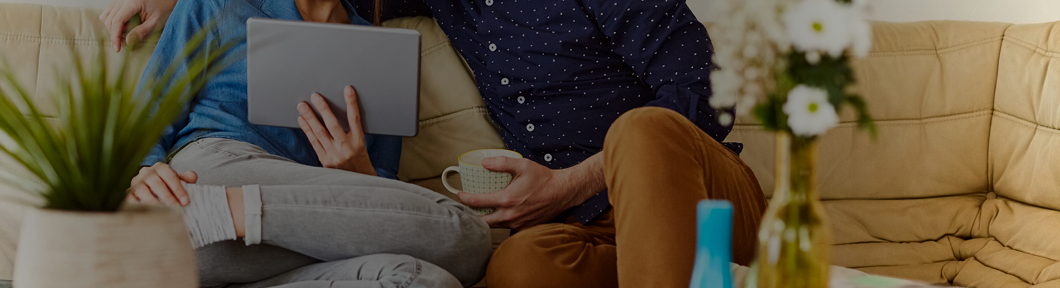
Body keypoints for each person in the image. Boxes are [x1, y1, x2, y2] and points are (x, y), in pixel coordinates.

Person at [106, 0, 769, 286]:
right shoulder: (435, 8)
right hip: (591, 236)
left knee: (641, 129)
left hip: (701, 202)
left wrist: (569, 183)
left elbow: (708, 95)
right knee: (512, 269)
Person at [100, 0, 491, 287]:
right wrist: (143, 172)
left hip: (256, 250)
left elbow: (385, 201)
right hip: (213, 170)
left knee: (427, 279)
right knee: (465, 233)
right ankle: (213, 210)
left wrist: (359, 171)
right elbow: (143, 121)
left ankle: (218, 216)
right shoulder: (216, 5)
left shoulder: (382, 53)